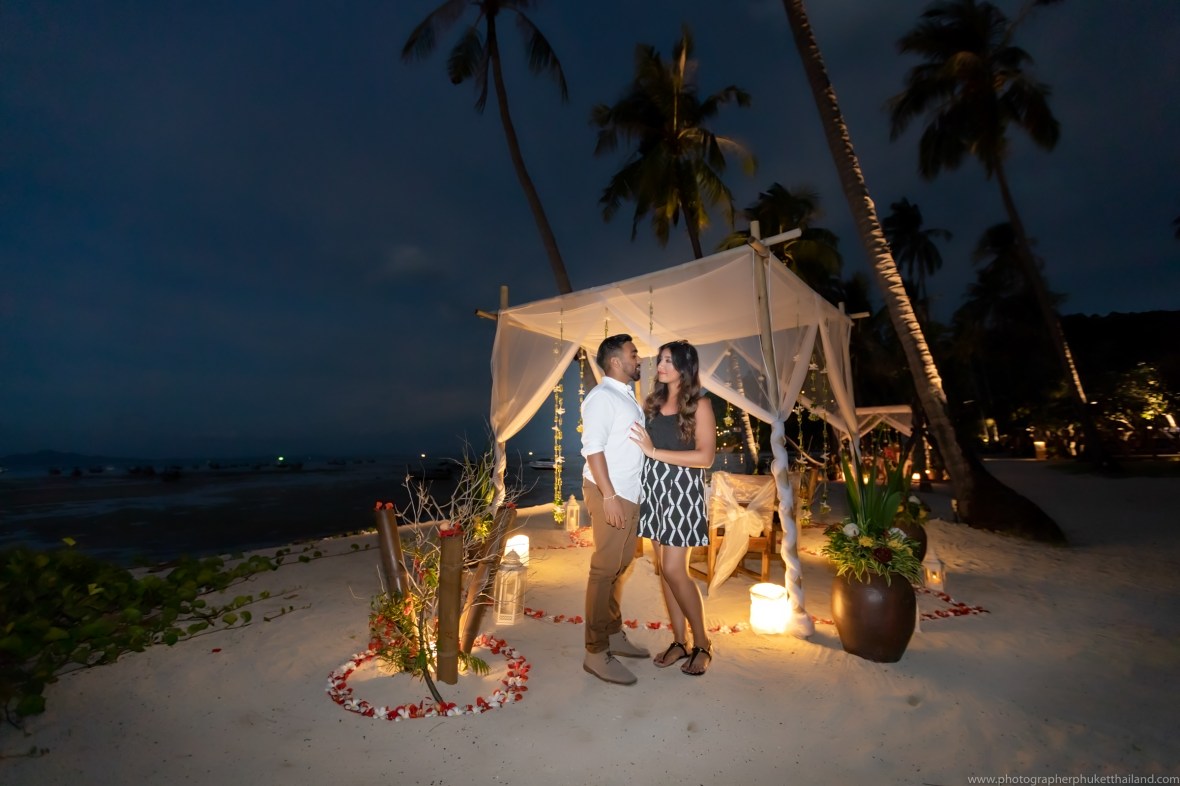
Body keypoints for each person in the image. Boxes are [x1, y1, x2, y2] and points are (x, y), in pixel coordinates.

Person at [629, 340, 717, 675]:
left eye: (668, 360)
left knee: (676, 570)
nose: (660, 365)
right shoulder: (652, 403)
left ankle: (703, 643)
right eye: (660, 359)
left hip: (682, 490)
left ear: (684, 366)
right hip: (653, 490)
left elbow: (705, 457)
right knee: (664, 570)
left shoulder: (700, 404)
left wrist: (654, 454)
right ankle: (680, 641)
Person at [580, 334, 650, 685]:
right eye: (633, 354)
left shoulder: (625, 396)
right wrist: (608, 497)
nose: (638, 358)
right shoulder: (601, 397)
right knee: (604, 569)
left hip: (629, 492)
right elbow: (592, 449)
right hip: (610, 492)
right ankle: (595, 651)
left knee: (621, 566)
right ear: (615, 362)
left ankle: (612, 633)